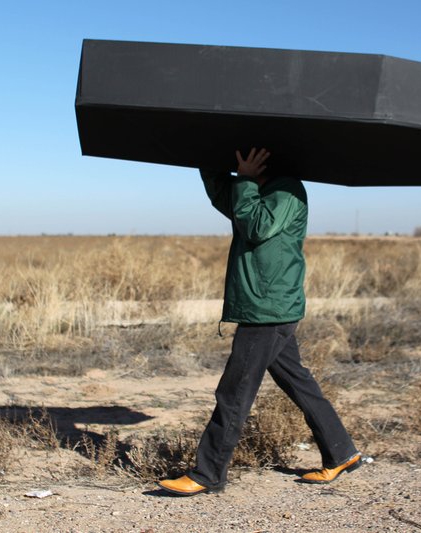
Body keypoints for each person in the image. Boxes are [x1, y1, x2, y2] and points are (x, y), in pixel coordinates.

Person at [158, 148, 361, 496]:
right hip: (270, 306)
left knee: (234, 391)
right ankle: (341, 452)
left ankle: (207, 474)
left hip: (268, 310)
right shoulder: (256, 191)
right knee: (298, 382)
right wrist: (209, 160)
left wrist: (247, 180)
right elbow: (229, 201)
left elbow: (256, 226)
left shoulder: (286, 190)